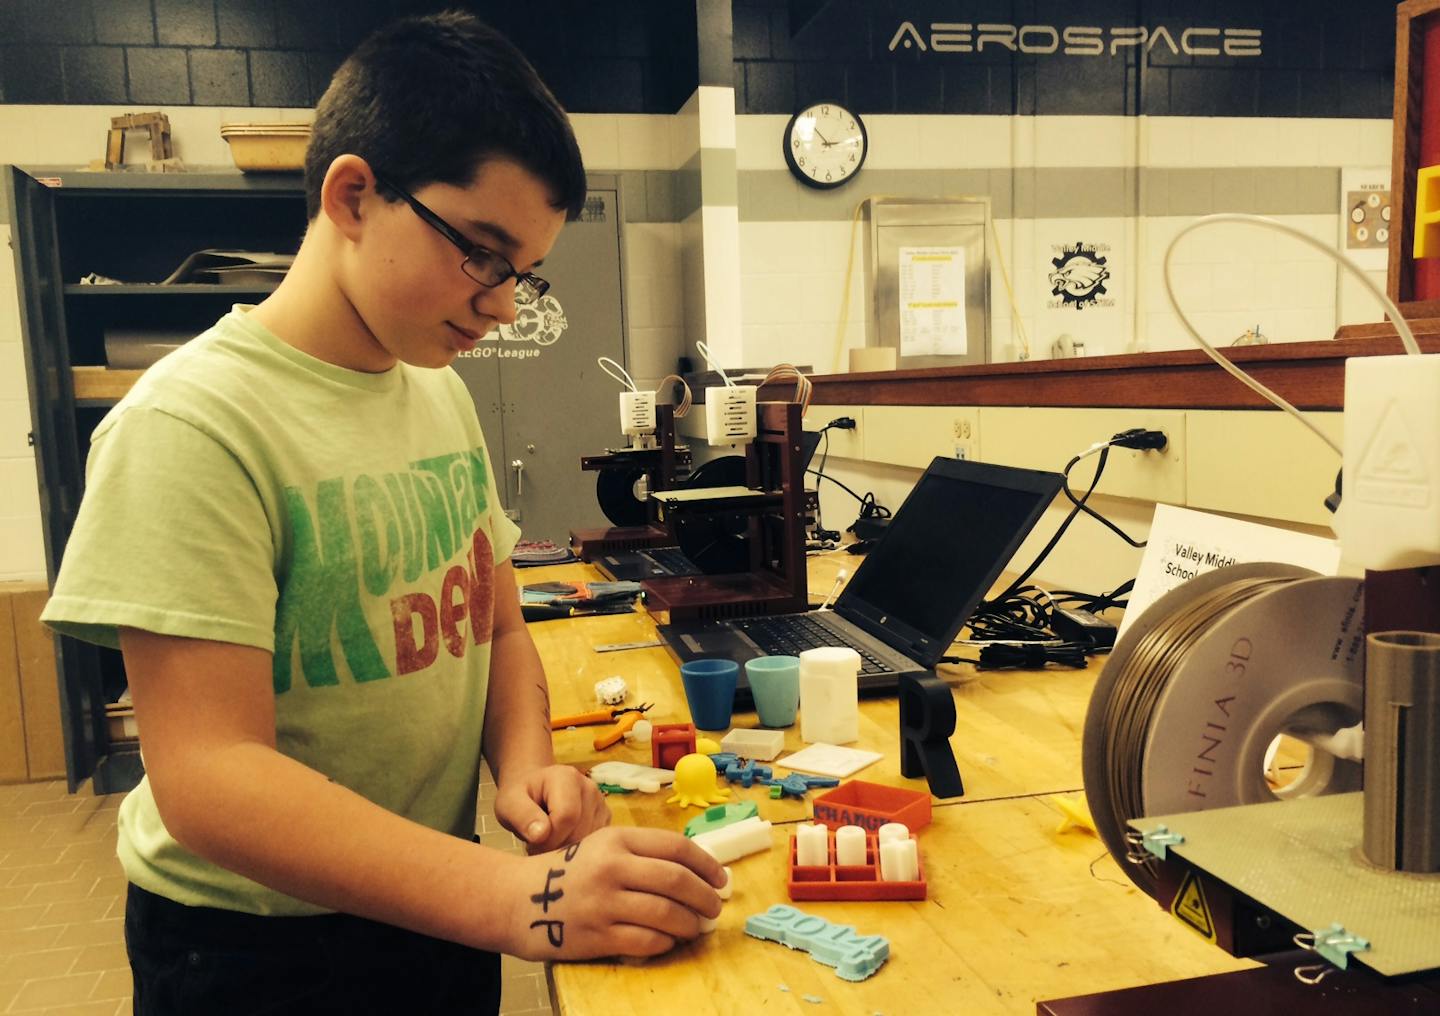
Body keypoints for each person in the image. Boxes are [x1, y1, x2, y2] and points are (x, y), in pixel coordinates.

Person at [40, 11, 723, 1015]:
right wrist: (515, 895)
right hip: (256, 951)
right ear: (354, 194)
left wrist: (527, 765)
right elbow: (211, 776)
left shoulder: (431, 387)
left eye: (522, 271)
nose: (501, 306)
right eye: (483, 253)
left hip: (431, 899)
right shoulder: (191, 424)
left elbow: (490, 619)